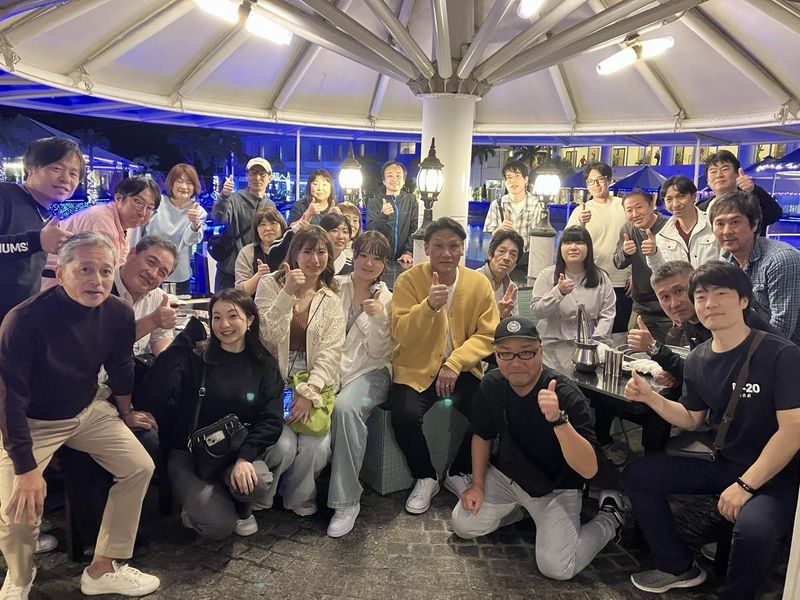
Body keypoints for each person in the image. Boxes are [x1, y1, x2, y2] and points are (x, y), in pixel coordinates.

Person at [623, 261, 800, 598]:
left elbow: (793, 430)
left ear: (743, 300)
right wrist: (649, 398)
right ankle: (677, 566)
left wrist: (745, 485)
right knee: (639, 474)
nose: (710, 304)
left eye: (721, 294)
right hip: (725, 463)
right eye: (702, 297)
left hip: (777, 474)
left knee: (754, 531)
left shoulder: (781, 354)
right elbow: (692, 418)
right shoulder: (699, 358)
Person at [0, 233, 159, 597]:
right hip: (32, 420)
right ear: (60, 272)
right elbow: (10, 399)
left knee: (139, 467)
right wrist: (25, 468)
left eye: (105, 270)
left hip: (87, 409)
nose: (97, 280)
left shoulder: (118, 312)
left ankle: (103, 567)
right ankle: (20, 577)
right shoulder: (24, 320)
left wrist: (127, 411)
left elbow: (120, 367)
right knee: (17, 510)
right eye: (85, 269)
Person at [449, 316, 627, 581]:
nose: (516, 362)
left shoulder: (566, 394)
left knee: (557, 567)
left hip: (557, 487)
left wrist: (558, 420)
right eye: (506, 353)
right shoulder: (493, 384)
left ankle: (611, 518)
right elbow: (482, 436)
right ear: (496, 355)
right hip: (509, 477)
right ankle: (523, 511)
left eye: (526, 352)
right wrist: (477, 484)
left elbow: (589, 469)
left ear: (540, 351)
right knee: (463, 525)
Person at [142, 289, 284, 540]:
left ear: (250, 320)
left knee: (258, 482)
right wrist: (183, 341)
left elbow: (271, 419)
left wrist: (245, 458)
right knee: (218, 525)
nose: (224, 324)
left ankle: (236, 503)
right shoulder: (197, 357)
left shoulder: (263, 363)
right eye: (216, 317)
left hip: (232, 451)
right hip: (189, 453)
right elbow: (156, 392)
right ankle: (199, 505)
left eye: (232, 316)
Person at [389, 217, 499, 515]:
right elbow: (400, 334)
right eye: (438, 245)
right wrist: (428, 307)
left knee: (489, 412)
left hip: (461, 370)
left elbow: (488, 334)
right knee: (404, 414)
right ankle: (425, 476)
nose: (446, 253)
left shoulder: (478, 284)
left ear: (463, 248)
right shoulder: (409, 281)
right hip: (417, 369)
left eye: (454, 246)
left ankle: (458, 471)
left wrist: (455, 362)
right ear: (426, 248)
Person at [254, 226, 345, 516]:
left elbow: (331, 352)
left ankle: (298, 495)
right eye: (307, 251)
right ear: (294, 253)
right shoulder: (270, 284)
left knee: (317, 446)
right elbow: (267, 337)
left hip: (313, 377)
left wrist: (310, 391)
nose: (315, 259)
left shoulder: (331, 299)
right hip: (274, 377)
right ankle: (261, 496)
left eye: (322, 252)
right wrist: (287, 292)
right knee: (282, 446)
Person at [326, 231, 393, 538]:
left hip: (371, 371)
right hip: (332, 368)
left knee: (345, 408)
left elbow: (381, 351)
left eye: (377, 258)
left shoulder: (386, 298)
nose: (369, 263)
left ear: (384, 264)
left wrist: (379, 319)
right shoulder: (334, 286)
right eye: (363, 255)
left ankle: (347, 501)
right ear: (353, 255)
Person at [627, 260, 779, 391]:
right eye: (665, 297)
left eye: (679, 291)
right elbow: (700, 371)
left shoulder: (726, 319)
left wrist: (654, 348)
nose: (674, 303)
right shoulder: (690, 320)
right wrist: (677, 375)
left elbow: (712, 377)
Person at [0, 137, 82, 323]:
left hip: (18, 322)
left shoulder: (45, 215)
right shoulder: (5, 196)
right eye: (56, 168)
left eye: (73, 173)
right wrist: (36, 241)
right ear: (30, 169)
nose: (65, 178)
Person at [709, 191, 800, 345]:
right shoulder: (726, 262)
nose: (726, 231)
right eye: (720, 224)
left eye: (735, 222)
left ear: (755, 224)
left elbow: (782, 328)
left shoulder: (780, 259)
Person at [41, 175, 161, 288]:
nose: (143, 213)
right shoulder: (100, 219)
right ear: (118, 198)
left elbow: (120, 266)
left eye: (150, 208)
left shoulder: (125, 226)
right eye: (139, 202)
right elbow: (104, 268)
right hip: (57, 284)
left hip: (78, 283)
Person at [566, 161, 631, 332]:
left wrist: (633, 273)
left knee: (619, 331)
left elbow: (636, 239)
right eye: (590, 181)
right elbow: (568, 245)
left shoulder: (623, 206)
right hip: (591, 280)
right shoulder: (581, 211)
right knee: (591, 331)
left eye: (600, 179)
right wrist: (581, 224)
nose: (595, 185)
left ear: (609, 180)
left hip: (620, 281)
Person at [129, 163, 206, 295]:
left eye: (189, 183)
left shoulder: (198, 211)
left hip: (179, 276)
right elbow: (137, 233)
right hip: (147, 271)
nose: (184, 186)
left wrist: (194, 224)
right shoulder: (156, 203)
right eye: (179, 181)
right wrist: (131, 260)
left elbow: (190, 241)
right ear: (171, 182)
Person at [532, 226, 615, 341]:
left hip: (589, 342)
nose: (573, 247)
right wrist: (558, 292)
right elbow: (538, 312)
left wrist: (595, 342)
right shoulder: (546, 275)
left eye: (579, 243)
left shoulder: (602, 278)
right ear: (560, 248)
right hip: (552, 343)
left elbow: (607, 315)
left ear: (589, 248)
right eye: (567, 243)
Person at [612, 189, 672, 342]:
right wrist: (625, 252)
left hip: (670, 304)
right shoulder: (628, 229)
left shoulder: (669, 226)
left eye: (639, 207)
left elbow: (679, 265)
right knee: (632, 347)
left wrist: (656, 252)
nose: (635, 214)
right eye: (629, 210)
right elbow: (617, 262)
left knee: (671, 350)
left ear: (652, 205)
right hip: (641, 305)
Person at [212, 157, 275, 290]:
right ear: (247, 176)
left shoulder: (270, 205)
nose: (257, 178)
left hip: (256, 271)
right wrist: (224, 196)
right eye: (253, 173)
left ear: (269, 177)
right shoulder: (234, 199)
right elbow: (219, 219)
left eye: (262, 174)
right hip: (230, 270)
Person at [643, 175, 719, 272]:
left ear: (694, 196)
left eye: (681, 197)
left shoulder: (713, 225)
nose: (675, 204)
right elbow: (663, 273)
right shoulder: (663, 235)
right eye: (669, 199)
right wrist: (653, 254)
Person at [697, 150, 782, 236]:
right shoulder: (700, 208)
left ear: (737, 174)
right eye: (713, 171)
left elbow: (774, 214)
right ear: (707, 181)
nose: (719, 175)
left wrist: (754, 190)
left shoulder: (751, 201)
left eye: (725, 169)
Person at [482, 160, 546, 273]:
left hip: (525, 263)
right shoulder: (497, 204)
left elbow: (538, 240)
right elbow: (487, 239)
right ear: (505, 181)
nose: (513, 181)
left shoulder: (536, 205)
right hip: (501, 261)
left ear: (526, 180)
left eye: (517, 176)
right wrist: (499, 230)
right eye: (509, 177)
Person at [366, 161, 418, 264]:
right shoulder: (374, 202)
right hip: (379, 257)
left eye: (398, 176)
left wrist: (408, 252)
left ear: (403, 181)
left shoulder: (411, 200)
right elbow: (370, 229)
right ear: (384, 181)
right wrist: (382, 215)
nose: (394, 179)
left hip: (404, 259)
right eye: (390, 176)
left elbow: (415, 227)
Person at [234, 206, 288, 297]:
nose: (268, 228)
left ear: (282, 226)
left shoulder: (293, 249)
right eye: (262, 224)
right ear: (256, 230)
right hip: (256, 304)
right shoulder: (247, 252)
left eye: (273, 223)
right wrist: (259, 275)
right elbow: (241, 292)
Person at [478, 230, 524, 318]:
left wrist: (504, 316)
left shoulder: (511, 288)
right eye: (502, 251)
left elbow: (514, 322)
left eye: (513, 254)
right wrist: (499, 315)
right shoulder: (474, 280)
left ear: (516, 264)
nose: (507, 258)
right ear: (490, 255)